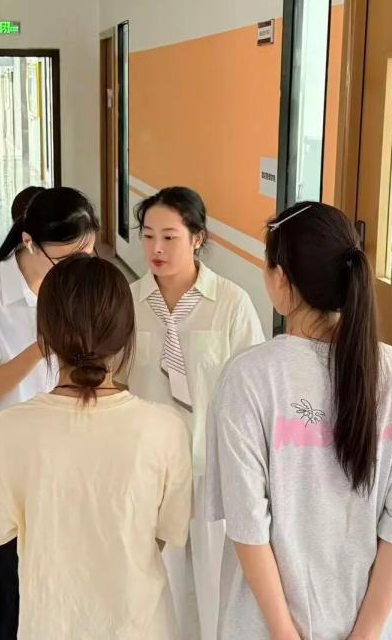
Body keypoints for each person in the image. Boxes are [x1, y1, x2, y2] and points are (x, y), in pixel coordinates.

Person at [205, 202, 392, 640]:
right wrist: (366, 633)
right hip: (378, 628)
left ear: (280, 280)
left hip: (263, 627)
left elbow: (249, 524)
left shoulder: (249, 377)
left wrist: (284, 632)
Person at [0, 254, 193, 640]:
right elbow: (164, 534)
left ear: (44, 334)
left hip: (49, 626)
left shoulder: (5, 430)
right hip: (143, 627)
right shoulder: (165, 429)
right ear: (127, 335)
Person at [0, 186, 99, 640]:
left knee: (53, 598)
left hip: (61, 466)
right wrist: (40, 346)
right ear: (29, 242)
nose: (77, 271)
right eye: (67, 259)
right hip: (0, 474)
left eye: (87, 257)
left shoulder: (75, 289)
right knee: (2, 605)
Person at [125, 186, 265, 640]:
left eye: (169, 237)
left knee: (215, 582)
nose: (156, 248)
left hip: (211, 465)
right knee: (157, 583)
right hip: (151, 469)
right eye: (148, 236)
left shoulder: (231, 303)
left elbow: (254, 392)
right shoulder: (128, 303)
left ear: (198, 238)